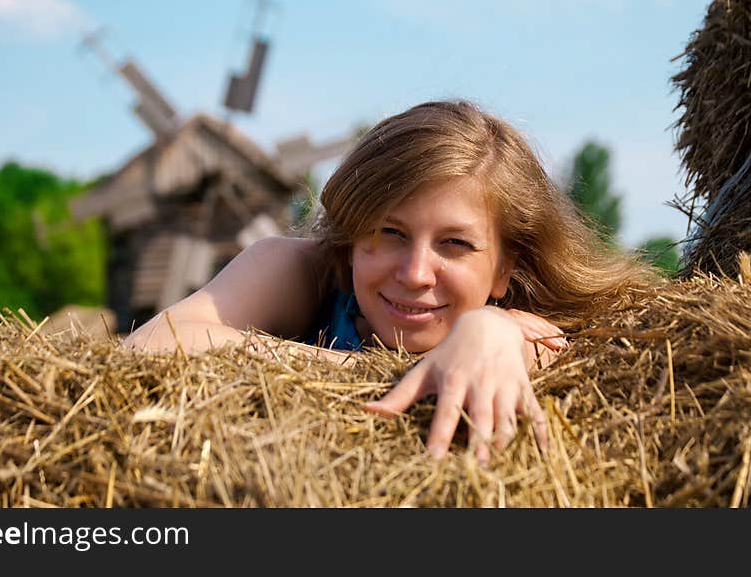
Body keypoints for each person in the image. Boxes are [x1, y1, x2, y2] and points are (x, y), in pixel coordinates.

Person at [123, 100, 652, 463]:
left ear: (506, 268)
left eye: (455, 244)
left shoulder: (517, 332)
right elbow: (151, 345)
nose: (416, 273)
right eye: (390, 232)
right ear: (353, 233)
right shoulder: (292, 268)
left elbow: (538, 357)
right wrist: (386, 372)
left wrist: (495, 331)